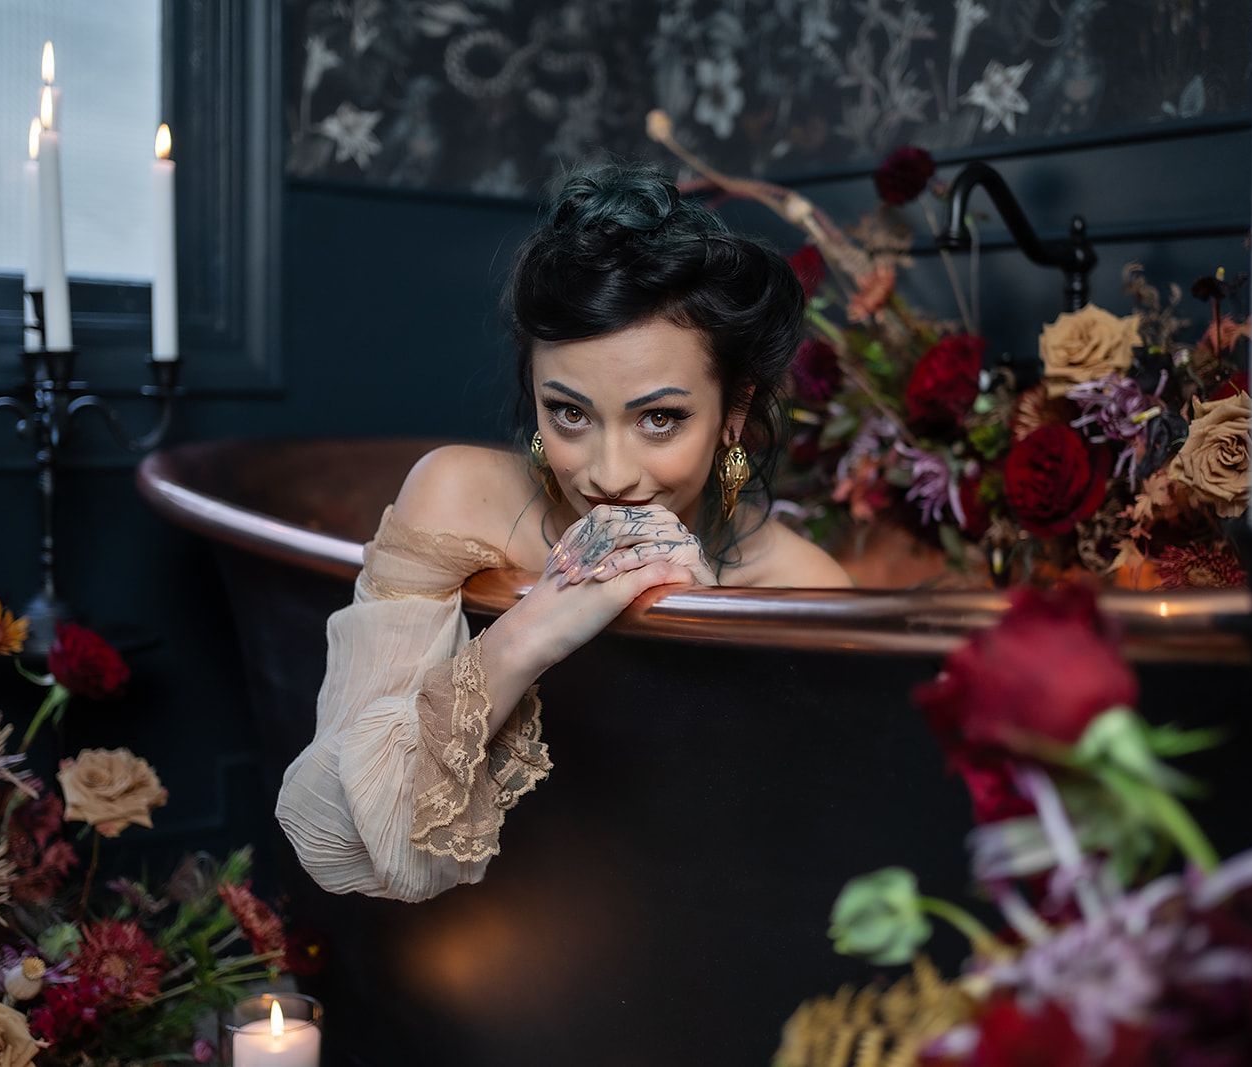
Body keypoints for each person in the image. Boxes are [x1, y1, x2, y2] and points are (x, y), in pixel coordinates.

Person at [276, 161, 853, 903]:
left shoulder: (804, 586)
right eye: (570, 413)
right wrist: (534, 624)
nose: (608, 474)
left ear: (733, 413)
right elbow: (340, 833)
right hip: (478, 956)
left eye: (660, 418)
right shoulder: (458, 497)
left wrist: (711, 650)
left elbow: (803, 858)